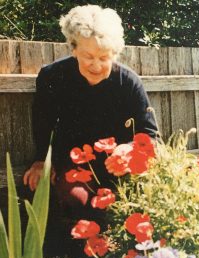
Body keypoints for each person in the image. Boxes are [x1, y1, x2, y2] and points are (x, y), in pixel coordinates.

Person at [23, 4, 158, 239]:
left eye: (104, 58)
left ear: (115, 54)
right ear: (73, 49)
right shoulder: (53, 77)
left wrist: (129, 150)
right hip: (74, 164)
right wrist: (40, 161)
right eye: (88, 56)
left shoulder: (129, 82)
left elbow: (151, 136)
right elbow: (42, 124)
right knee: (77, 200)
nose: (95, 65)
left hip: (118, 167)